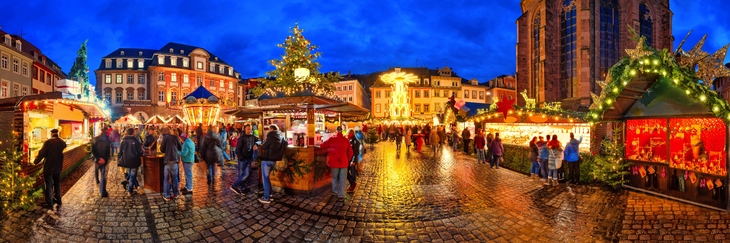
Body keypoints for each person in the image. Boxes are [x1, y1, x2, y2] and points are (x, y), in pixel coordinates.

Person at [35, 129, 66, 209]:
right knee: (56, 183)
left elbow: (42, 153)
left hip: (49, 166)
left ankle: (49, 203)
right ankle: (58, 199)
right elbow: (64, 147)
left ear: (52, 133)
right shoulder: (62, 142)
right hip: (58, 166)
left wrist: (36, 161)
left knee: (48, 184)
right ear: (57, 133)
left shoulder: (48, 142)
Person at [320, 126, 353, 199]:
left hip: (334, 162)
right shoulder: (346, 140)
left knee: (335, 178)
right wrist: (348, 159)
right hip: (343, 162)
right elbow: (350, 152)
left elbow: (322, 145)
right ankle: (341, 194)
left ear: (336, 131)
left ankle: (335, 191)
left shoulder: (332, 139)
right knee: (343, 179)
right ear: (342, 131)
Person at [258, 124, 288, 204]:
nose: (268, 131)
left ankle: (266, 198)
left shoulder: (270, 136)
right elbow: (286, 144)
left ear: (271, 129)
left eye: (269, 129)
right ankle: (270, 194)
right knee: (267, 178)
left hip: (267, 160)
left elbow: (264, 147)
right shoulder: (281, 136)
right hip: (274, 161)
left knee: (265, 178)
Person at [231, 124, 261, 195]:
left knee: (246, 174)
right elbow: (237, 150)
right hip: (242, 159)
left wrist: (256, 144)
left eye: (250, 129)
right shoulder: (241, 138)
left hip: (248, 158)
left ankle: (235, 186)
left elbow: (260, 140)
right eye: (248, 129)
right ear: (244, 129)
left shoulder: (253, 137)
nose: (249, 130)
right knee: (241, 174)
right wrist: (241, 157)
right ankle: (242, 188)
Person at [119, 128, 144, 196]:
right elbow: (140, 152)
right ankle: (130, 190)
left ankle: (137, 186)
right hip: (134, 161)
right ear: (133, 133)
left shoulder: (123, 141)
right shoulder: (136, 142)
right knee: (132, 176)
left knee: (130, 175)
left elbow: (120, 152)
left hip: (126, 161)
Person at [160, 128, 182, 201]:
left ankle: (167, 195)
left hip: (167, 161)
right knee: (175, 178)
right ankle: (175, 194)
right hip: (175, 160)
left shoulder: (165, 138)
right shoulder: (176, 138)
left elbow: (162, 149)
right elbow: (180, 147)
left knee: (166, 179)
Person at [92, 129, 111, 198]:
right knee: (103, 176)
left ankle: (97, 180)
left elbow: (93, 151)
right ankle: (103, 191)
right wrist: (104, 159)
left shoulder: (95, 139)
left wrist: (97, 158)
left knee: (97, 170)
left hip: (97, 160)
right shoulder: (107, 140)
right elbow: (108, 152)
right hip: (104, 160)